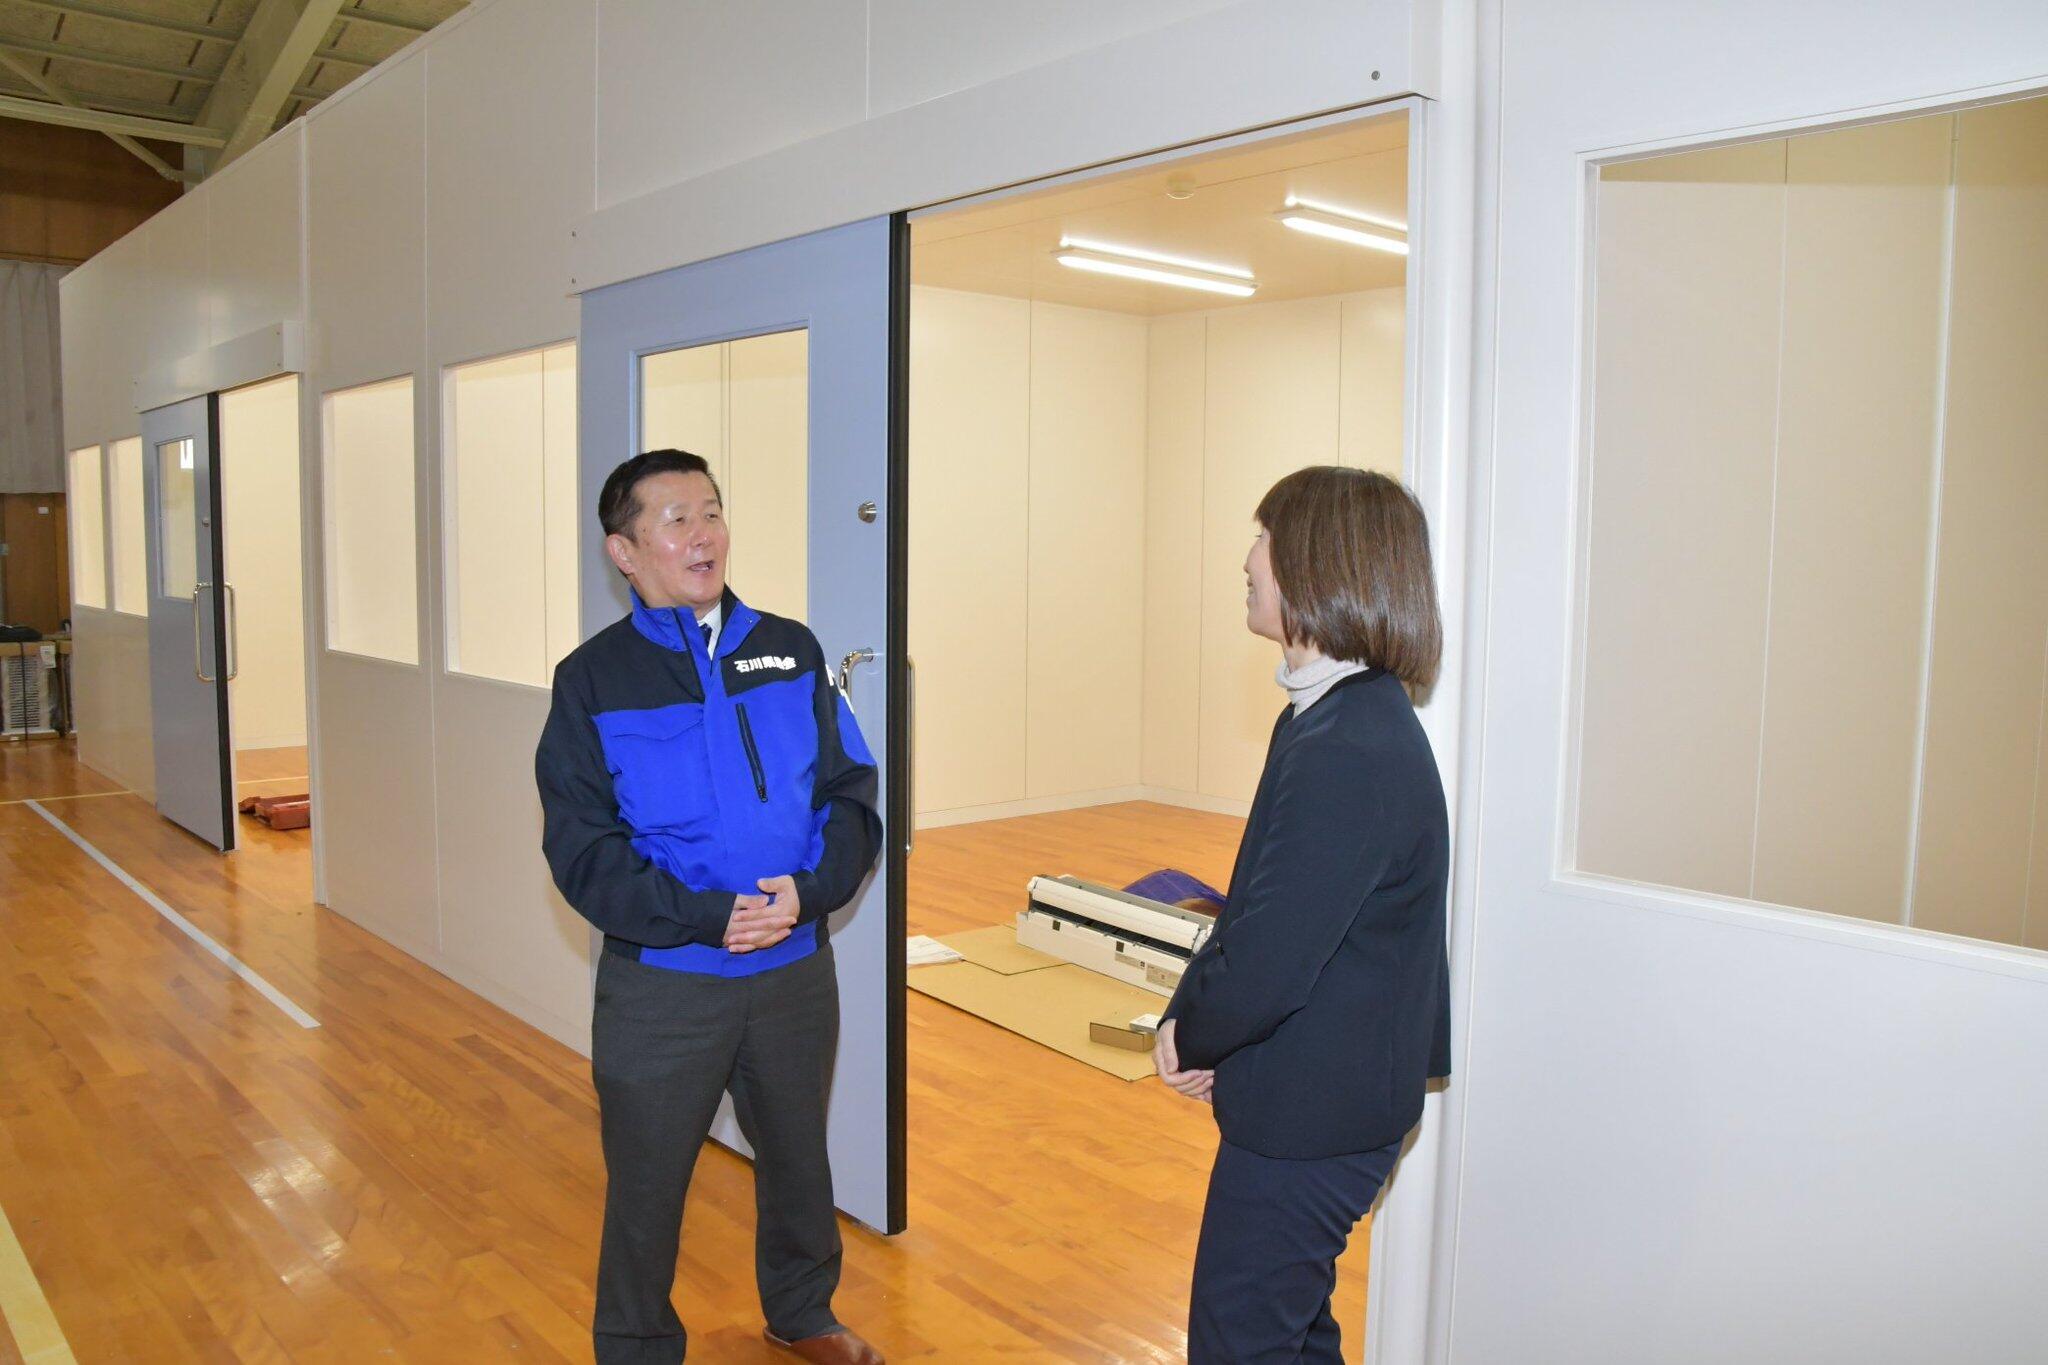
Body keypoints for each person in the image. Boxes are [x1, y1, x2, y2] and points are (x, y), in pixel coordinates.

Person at [535, 449, 885, 1365]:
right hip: (665, 987)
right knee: (647, 1184)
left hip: (792, 971)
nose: (704, 535)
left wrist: (809, 891)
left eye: (713, 512)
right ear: (624, 551)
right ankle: (638, 1345)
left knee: (798, 1160)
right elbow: (583, 850)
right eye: (677, 519)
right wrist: (702, 914)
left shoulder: (792, 650)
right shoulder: (592, 680)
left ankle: (803, 1313)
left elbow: (851, 795)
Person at [1153, 465, 1452, 1365]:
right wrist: (1198, 1019)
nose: (1249, 558)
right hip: (1320, 1091)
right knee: (1287, 1331)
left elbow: (1272, 959)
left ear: (1320, 564)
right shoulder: (1330, 715)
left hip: (1317, 1114)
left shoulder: (1348, 744)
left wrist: (1194, 1034)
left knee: (1242, 1342)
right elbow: (1257, 902)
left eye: (1266, 538)